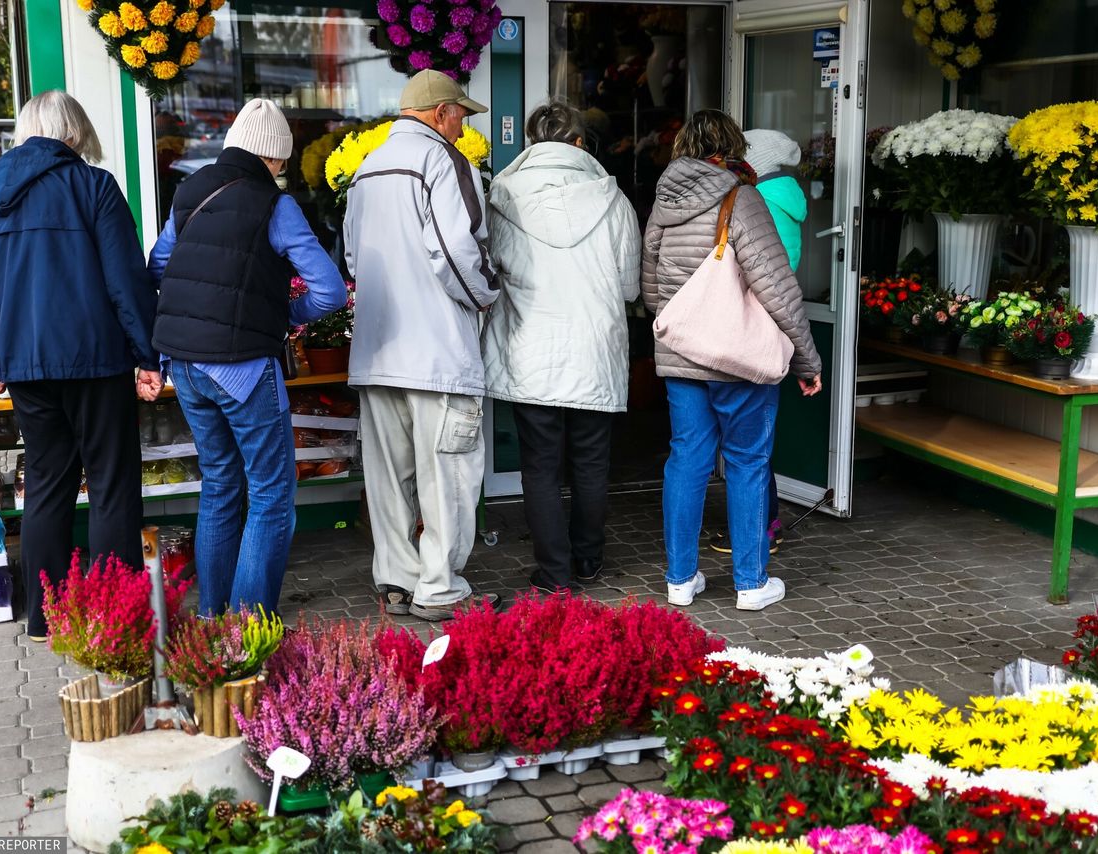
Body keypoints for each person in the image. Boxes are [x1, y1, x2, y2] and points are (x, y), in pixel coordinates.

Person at [0, 90, 160, 640]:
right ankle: (113, 616)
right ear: (74, 134)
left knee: (47, 483)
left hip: (24, 364)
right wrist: (147, 354)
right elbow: (127, 282)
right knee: (112, 483)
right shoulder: (94, 187)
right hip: (96, 361)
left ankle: (47, 617)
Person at [148, 98, 345, 616]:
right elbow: (329, 292)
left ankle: (213, 617)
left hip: (184, 366)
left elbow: (159, 264)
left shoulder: (190, 191)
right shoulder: (275, 206)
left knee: (219, 483)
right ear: (276, 159)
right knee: (272, 495)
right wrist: (285, 313)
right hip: (241, 368)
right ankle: (246, 630)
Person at [641, 109, 822, 612]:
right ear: (731, 149)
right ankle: (749, 582)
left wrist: (687, 329)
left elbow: (651, 288)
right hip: (739, 360)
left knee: (687, 461)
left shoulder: (663, 203)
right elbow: (777, 287)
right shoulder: (742, 198)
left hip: (681, 357)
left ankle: (680, 580)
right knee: (746, 463)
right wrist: (806, 358)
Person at [343, 69, 501, 622]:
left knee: (388, 479)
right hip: (436, 352)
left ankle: (397, 581)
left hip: (377, 351)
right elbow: (457, 249)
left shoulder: (365, 169)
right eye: (460, 115)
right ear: (439, 113)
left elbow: (354, 263)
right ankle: (440, 587)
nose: (462, 127)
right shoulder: (444, 161)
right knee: (448, 476)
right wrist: (485, 296)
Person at [483, 100, 640, 594]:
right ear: (578, 143)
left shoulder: (503, 196)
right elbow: (631, 287)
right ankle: (589, 562)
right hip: (594, 348)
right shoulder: (613, 199)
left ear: (532, 143)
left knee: (540, 466)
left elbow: (491, 271)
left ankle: (553, 573)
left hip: (531, 348)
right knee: (592, 463)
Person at [710, 129, 809, 559]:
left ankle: (754, 530)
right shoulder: (785, 201)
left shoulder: (757, 202)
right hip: (771, 324)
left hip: (751, 326)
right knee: (753, 440)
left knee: (745, 444)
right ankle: (764, 523)